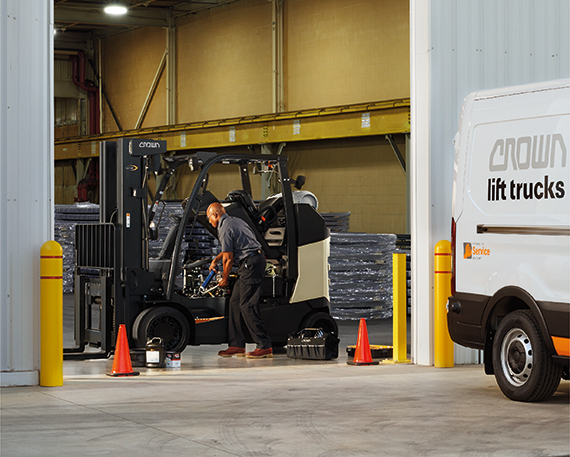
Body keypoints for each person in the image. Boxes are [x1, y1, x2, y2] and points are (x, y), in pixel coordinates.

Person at [206, 202, 273, 358]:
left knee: (247, 305)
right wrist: (215, 259)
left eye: (209, 218)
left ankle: (264, 345)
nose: (209, 222)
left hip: (251, 263)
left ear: (215, 215)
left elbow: (228, 259)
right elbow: (231, 249)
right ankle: (236, 344)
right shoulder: (235, 220)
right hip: (250, 261)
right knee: (235, 302)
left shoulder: (224, 228)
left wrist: (224, 279)